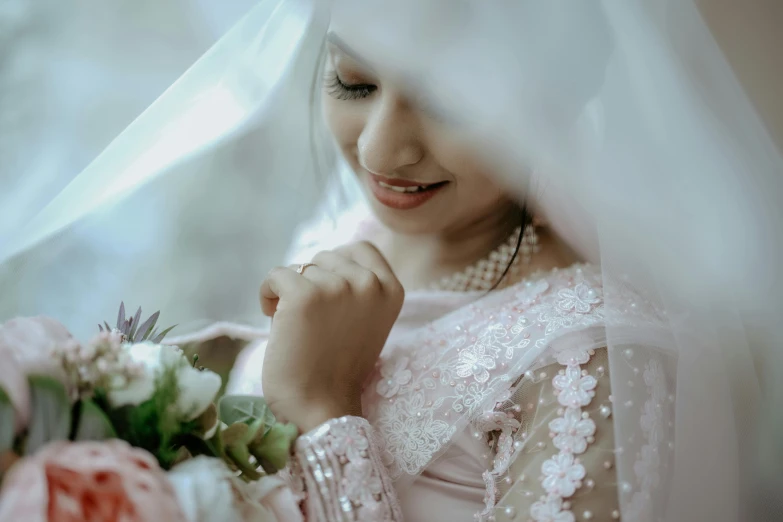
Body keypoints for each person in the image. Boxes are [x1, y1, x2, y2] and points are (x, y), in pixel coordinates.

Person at [2, 1, 781, 521]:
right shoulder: (349, 226)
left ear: (557, 100)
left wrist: (323, 409)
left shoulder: (594, 357)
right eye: (353, 81)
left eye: (449, 103)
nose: (381, 150)